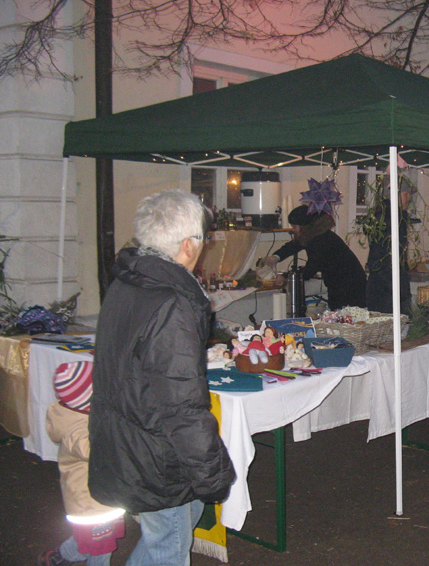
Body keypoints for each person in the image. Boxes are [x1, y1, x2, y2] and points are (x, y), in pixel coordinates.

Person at [89, 189, 236, 566]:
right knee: (169, 546)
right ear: (188, 245)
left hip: (127, 439)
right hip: (154, 454)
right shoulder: (171, 302)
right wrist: (212, 475)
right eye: (203, 239)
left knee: (177, 524)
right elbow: (181, 406)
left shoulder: (129, 281)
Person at [39, 361, 125, 566]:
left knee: (93, 542)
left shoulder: (76, 415)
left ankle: (60, 556)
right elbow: (100, 452)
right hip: (92, 505)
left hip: (97, 499)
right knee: (101, 551)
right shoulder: (77, 431)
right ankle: (63, 556)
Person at [264, 205, 367, 310]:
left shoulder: (320, 240)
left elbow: (311, 269)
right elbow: (292, 246)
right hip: (343, 284)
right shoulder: (314, 234)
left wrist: (286, 277)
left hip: (349, 287)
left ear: (303, 226)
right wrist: (276, 257)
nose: (293, 230)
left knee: (343, 316)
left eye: (294, 227)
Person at [366, 175, 416, 315]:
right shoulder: (389, 219)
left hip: (387, 286)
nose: (408, 198)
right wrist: (396, 288)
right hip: (387, 290)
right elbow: (381, 256)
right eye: (405, 194)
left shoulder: (392, 217)